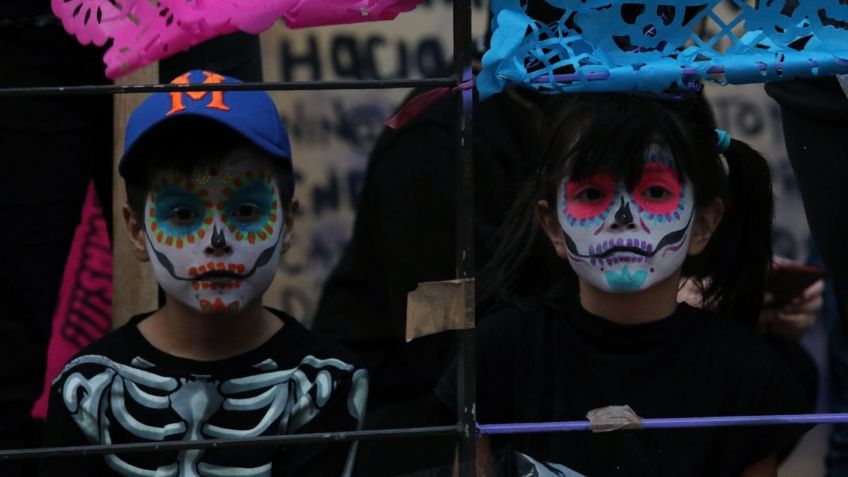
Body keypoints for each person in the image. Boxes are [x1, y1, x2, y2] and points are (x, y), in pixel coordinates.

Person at [435, 92, 813, 476]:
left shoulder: (746, 373)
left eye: (655, 192)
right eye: (593, 194)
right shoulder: (500, 353)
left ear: (703, 223)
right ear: (553, 227)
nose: (623, 216)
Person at [39, 70, 368, 476]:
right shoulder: (85, 390)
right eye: (182, 214)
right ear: (137, 231)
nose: (216, 239)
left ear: (288, 225)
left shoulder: (329, 386)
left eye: (246, 211)